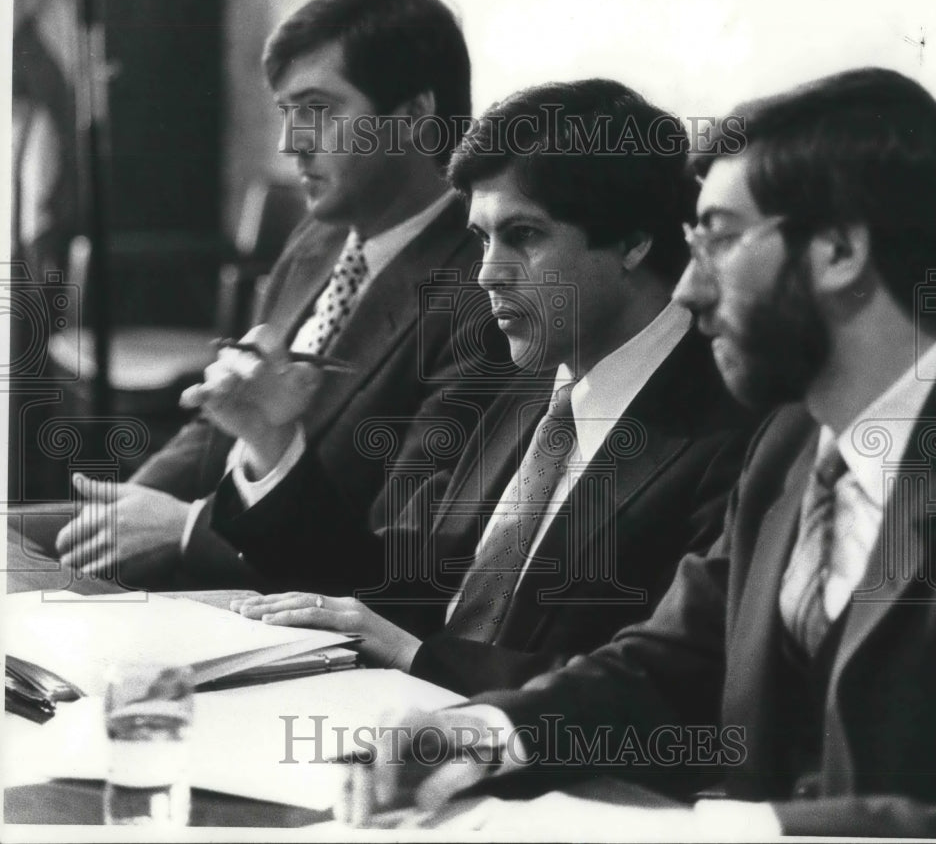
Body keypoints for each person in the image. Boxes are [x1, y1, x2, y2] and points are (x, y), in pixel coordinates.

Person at [333, 68, 936, 838]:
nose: (692, 290)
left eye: (722, 240)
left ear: (839, 250)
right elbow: (666, 665)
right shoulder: (793, 446)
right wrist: (482, 731)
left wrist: (708, 832)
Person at [204, 79, 755, 692]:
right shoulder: (527, 382)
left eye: (524, 236)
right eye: (482, 239)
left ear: (632, 241)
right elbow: (401, 583)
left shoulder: (734, 427)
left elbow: (669, 686)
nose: (488, 274)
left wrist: (417, 658)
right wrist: (270, 440)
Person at [51, 0, 510, 593]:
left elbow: (396, 557)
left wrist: (186, 528)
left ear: (413, 117)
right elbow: (225, 421)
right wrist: (129, 507)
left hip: (291, 610)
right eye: (287, 112)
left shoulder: (486, 293)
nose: (288, 143)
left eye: (317, 110)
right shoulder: (320, 239)